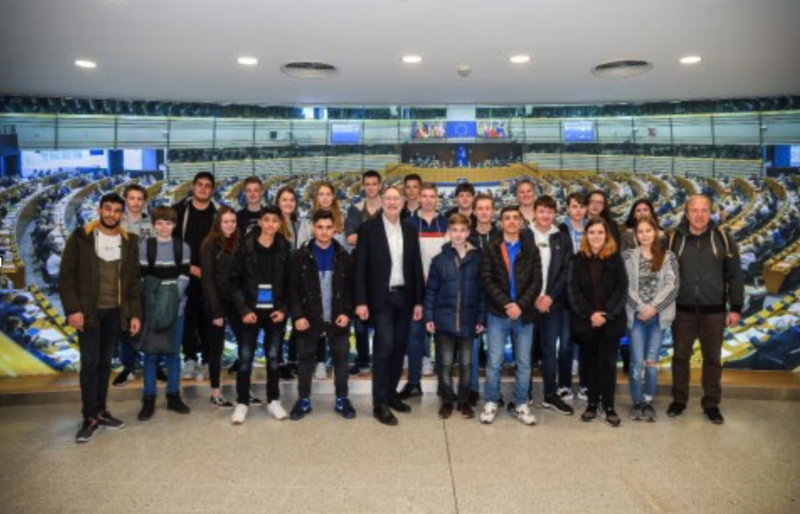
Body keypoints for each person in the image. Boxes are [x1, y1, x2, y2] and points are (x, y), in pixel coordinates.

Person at [59, 193, 142, 443]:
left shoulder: (130, 241)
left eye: (117, 210)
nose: (111, 214)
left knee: (105, 364)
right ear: (99, 210)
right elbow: (66, 277)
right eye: (108, 209)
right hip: (88, 314)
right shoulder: (81, 238)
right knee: (90, 364)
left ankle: (101, 411)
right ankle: (89, 416)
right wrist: (73, 309)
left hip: (115, 313)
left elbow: (134, 282)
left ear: (122, 214)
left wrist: (135, 313)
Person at [667, 195, 744, 424]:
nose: (699, 215)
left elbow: (735, 276)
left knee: (712, 359)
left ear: (710, 212)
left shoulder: (723, 239)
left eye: (704, 210)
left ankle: (711, 404)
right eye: (694, 210)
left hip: (715, 311)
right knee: (680, 357)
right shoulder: (673, 239)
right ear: (686, 212)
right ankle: (679, 400)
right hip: (682, 311)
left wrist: (736, 308)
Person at [354, 185, 424, 426]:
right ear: (382, 201)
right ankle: (379, 403)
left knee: (399, 348)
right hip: (381, 299)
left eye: (397, 198)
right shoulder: (368, 229)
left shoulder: (410, 229)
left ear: (403, 202)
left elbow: (416, 267)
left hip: (405, 298)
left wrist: (418, 301)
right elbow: (360, 268)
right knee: (384, 348)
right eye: (388, 198)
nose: (393, 202)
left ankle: (391, 394)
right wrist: (361, 301)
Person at [289, 210, 356, 421]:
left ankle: (342, 399)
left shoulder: (344, 255)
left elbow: (350, 290)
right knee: (305, 360)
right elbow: (293, 290)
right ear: (313, 228)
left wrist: (346, 312)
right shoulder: (300, 256)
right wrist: (298, 315)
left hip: (337, 317)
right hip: (308, 317)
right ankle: (303, 400)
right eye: (320, 227)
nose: (324, 231)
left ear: (334, 229)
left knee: (341, 360)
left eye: (328, 227)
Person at [480, 205, 543, 426]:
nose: (512, 222)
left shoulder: (531, 247)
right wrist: (507, 304)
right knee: (494, 361)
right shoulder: (492, 247)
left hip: (524, 314)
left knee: (524, 363)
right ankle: (491, 400)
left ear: (521, 222)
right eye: (507, 218)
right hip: (498, 313)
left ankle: (520, 403)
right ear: (501, 222)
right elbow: (486, 279)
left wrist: (521, 305)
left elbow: (537, 281)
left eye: (516, 218)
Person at [229, 205, 292, 424]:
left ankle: (274, 400)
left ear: (280, 223)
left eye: (275, 220)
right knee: (245, 359)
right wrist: (244, 310)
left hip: (275, 313)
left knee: (274, 358)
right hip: (250, 313)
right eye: (267, 220)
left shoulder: (286, 248)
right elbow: (233, 282)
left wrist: (284, 309)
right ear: (260, 222)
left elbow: (291, 284)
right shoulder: (244, 246)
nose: (271, 224)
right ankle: (242, 402)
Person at [568, 217, 628, 427]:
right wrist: (591, 314)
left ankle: (609, 406)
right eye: (591, 232)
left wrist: (605, 314)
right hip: (586, 322)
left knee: (609, 365)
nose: (596, 236)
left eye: (600, 232)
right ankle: (592, 404)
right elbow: (573, 290)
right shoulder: (577, 259)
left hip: (610, 321)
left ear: (606, 235)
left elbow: (622, 289)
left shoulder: (615, 259)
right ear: (586, 235)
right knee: (590, 364)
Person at [424, 213, 485, 419]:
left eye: (462, 231)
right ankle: (448, 400)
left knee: (467, 365)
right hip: (444, 321)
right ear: (448, 233)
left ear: (468, 232)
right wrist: (429, 316)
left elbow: (482, 292)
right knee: (445, 364)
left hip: (469, 322)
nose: (458, 235)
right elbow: (431, 291)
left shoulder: (478, 259)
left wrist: (481, 318)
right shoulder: (439, 260)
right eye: (454, 231)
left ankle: (464, 401)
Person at [137, 206, 192, 421]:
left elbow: (184, 278)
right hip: (152, 309)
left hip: (176, 309)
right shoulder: (146, 246)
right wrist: (158, 301)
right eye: (159, 223)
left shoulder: (182, 247)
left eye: (168, 223)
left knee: (172, 354)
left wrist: (168, 299)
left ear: (174, 225)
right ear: (153, 225)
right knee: (150, 355)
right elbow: (143, 280)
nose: (164, 227)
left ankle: (173, 396)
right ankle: (148, 398)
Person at [623, 216, 679, 422]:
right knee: (637, 362)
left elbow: (673, 287)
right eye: (640, 232)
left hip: (658, 318)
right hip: (637, 317)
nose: (644, 235)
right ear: (636, 235)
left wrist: (654, 308)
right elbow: (625, 286)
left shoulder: (668, 256)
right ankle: (637, 401)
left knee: (651, 362)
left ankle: (647, 401)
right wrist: (641, 308)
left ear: (655, 233)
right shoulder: (628, 256)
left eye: (648, 231)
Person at [398, 182, 449, 400]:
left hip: (443, 289)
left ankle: (444, 386)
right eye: (424, 196)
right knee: (415, 337)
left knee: (442, 338)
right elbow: (402, 258)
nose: (428, 199)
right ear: (418, 198)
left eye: (432, 196)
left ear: (437, 198)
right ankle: (413, 382)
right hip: (417, 291)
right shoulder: (408, 223)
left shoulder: (446, 223)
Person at [297, 182, 351, 381]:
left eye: (329, 194)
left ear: (333, 197)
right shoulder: (306, 221)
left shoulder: (341, 220)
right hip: (313, 279)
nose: (325, 198)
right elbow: (301, 250)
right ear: (316, 198)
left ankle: (337, 369)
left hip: (334, 278)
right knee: (315, 318)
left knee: (334, 324)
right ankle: (319, 362)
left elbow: (344, 251)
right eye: (321, 194)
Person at [530, 195, 575, 416]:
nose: (545, 215)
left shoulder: (562, 237)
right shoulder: (523, 234)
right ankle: (524, 393)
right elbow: (519, 271)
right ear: (534, 212)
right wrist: (533, 298)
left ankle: (550, 394)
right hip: (527, 304)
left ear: (554, 214)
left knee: (549, 350)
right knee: (525, 351)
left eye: (550, 211)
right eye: (541, 211)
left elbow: (567, 271)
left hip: (553, 304)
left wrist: (549, 297)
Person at [173, 172, 217, 383]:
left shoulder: (218, 214)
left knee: (209, 318)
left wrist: (207, 271)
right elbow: (171, 244)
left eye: (207, 186)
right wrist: (189, 267)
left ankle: (208, 360)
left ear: (212, 190)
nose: (203, 189)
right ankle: (190, 358)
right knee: (187, 318)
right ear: (193, 186)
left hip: (210, 276)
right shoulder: (179, 211)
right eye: (199, 185)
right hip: (185, 274)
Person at [200, 206, 242, 408]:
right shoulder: (209, 244)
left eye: (233, 221)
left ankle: (244, 390)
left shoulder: (239, 242)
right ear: (218, 223)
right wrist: (216, 311)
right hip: (215, 303)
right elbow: (207, 280)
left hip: (236, 302)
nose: (230, 225)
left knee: (246, 345)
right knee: (215, 350)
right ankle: (215, 392)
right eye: (226, 221)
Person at [113, 183, 153, 386]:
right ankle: (128, 367)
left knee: (148, 323)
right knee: (126, 324)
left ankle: (151, 365)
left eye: (139, 199)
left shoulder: (151, 222)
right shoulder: (116, 222)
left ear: (144, 201)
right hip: (123, 280)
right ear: (126, 200)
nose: (136, 202)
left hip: (147, 279)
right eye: (132, 198)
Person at [346, 170, 382, 377]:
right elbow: (350, 238)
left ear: (379, 186)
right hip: (359, 269)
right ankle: (362, 360)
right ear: (363, 186)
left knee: (380, 321)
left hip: (382, 272)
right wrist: (374, 240)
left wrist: (364, 238)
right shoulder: (355, 209)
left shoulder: (387, 208)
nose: (370, 187)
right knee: (359, 321)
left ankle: (379, 359)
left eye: (374, 184)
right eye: (367, 184)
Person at [466, 193, 499, 405]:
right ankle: (472, 390)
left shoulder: (503, 235)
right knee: (473, 349)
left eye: (488, 208)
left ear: (493, 211)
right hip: (473, 300)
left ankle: (493, 393)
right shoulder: (466, 237)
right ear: (474, 211)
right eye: (480, 208)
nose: (484, 212)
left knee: (495, 354)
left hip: (497, 300)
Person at [558, 192, 589, 401]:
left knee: (586, 341)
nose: (578, 210)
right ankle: (565, 384)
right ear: (567, 208)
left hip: (588, 295)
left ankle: (586, 384)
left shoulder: (594, 228)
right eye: (574, 206)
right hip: (565, 295)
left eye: (582, 206)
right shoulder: (560, 230)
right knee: (567, 341)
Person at [274, 185, 301, 379]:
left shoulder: (300, 224)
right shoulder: (272, 224)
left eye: (291, 200)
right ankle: (279, 361)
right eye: (284, 200)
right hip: (279, 282)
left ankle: (293, 359)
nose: (288, 203)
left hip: (298, 281)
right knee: (279, 324)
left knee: (299, 320)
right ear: (277, 202)